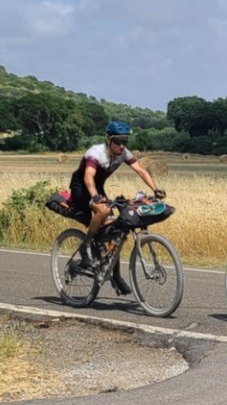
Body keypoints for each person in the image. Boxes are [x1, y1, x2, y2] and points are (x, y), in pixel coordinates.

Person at [69, 122, 163, 289]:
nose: (122, 145)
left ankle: (116, 275)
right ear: (108, 139)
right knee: (103, 210)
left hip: (98, 189)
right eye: (118, 141)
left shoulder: (122, 153)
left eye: (124, 141)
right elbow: (88, 176)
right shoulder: (96, 153)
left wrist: (155, 189)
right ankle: (87, 246)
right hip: (82, 189)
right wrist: (95, 197)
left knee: (116, 231)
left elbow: (141, 171)